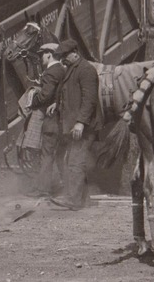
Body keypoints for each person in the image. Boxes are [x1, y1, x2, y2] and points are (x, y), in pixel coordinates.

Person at [49, 40, 98, 209]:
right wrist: (57, 103)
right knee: (74, 160)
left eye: (65, 56)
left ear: (75, 52)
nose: (62, 60)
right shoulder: (72, 69)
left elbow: (89, 100)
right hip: (74, 124)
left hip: (83, 126)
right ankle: (84, 199)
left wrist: (80, 122)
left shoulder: (86, 70)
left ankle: (73, 200)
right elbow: (68, 93)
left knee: (75, 162)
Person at [15, 40, 65, 188]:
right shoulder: (62, 70)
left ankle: (43, 188)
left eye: (43, 55)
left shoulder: (51, 72)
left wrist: (32, 100)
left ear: (49, 55)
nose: (41, 58)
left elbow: (45, 96)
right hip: (60, 117)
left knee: (46, 154)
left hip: (49, 118)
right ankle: (60, 183)